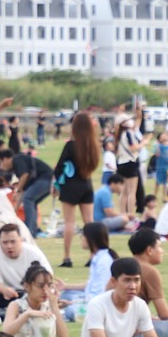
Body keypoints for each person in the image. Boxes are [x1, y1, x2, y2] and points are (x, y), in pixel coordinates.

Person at [52, 113, 102, 268]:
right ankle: (94, 255)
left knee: (69, 222)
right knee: (89, 222)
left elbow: (59, 167)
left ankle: (67, 257)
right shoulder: (93, 146)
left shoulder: (71, 145)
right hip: (87, 185)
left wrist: (57, 184)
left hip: (70, 186)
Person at [0, 221, 50, 312]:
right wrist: (4, 290)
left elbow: (48, 277)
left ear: (21, 240)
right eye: (5, 243)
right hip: (13, 294)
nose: (9, 246)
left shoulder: (33, 253)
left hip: (32, 292)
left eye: (13, 242)